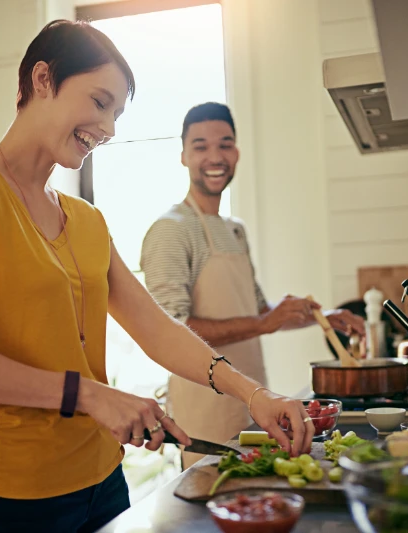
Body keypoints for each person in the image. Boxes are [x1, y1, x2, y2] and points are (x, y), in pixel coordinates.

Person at [0, 21, 314, 533]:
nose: (110, 127)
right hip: (0, 492)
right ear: (42, 79)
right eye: (100, 102)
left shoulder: (86, 219)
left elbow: (157, 327)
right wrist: (93, 395)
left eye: (118, 113)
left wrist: (254, 394)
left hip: (101, 482)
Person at [140, 102, 365, 468]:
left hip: (253, 405)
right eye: (200, 146)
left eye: (225, 144)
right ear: (183, 156)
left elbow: (261, 312)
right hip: (205, 415)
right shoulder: (172, 229)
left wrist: (322, 317)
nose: (215, 156)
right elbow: (171, 331)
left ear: (237, 152)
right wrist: (264, 322)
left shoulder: (234, 230)